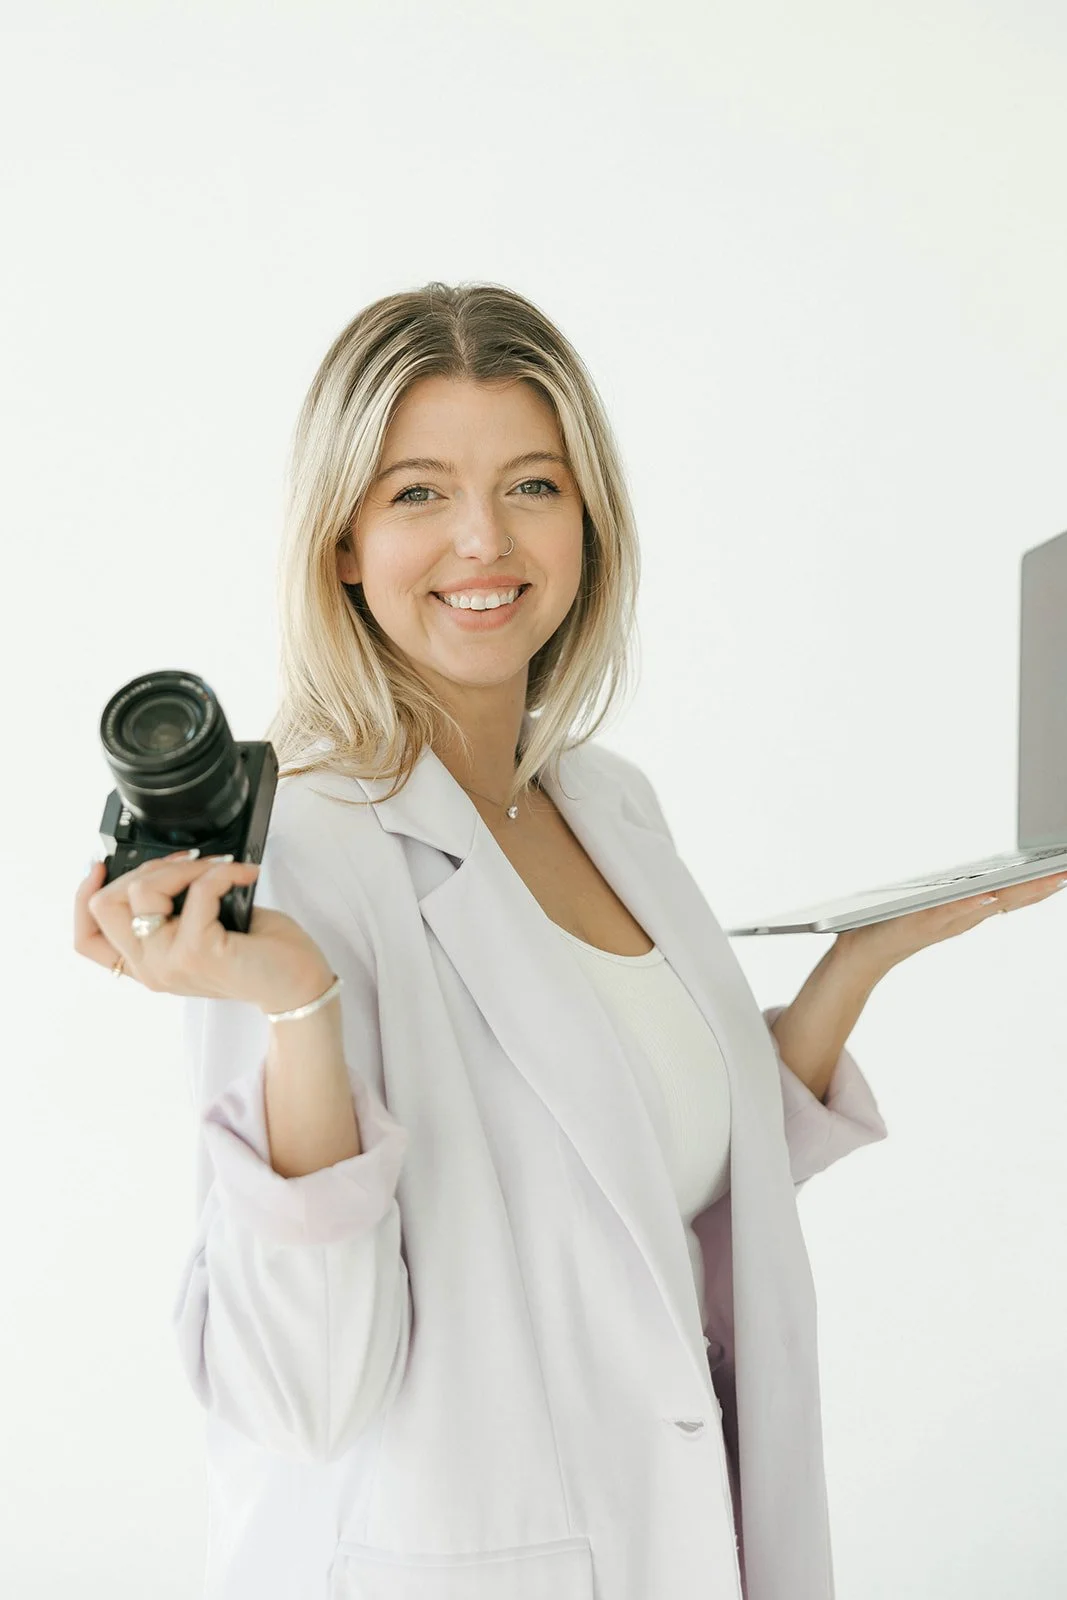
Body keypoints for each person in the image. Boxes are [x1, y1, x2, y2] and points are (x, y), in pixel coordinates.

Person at [73, 281, 894, 1600]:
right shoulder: (303, 853)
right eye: (415, 494)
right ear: (340, 542)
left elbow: (642, 1181)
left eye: (531, 485)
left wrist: (861, 962)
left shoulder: (605, 802)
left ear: (588, 522)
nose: (482, 540)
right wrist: (299, 1005)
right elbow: (302, 1392)